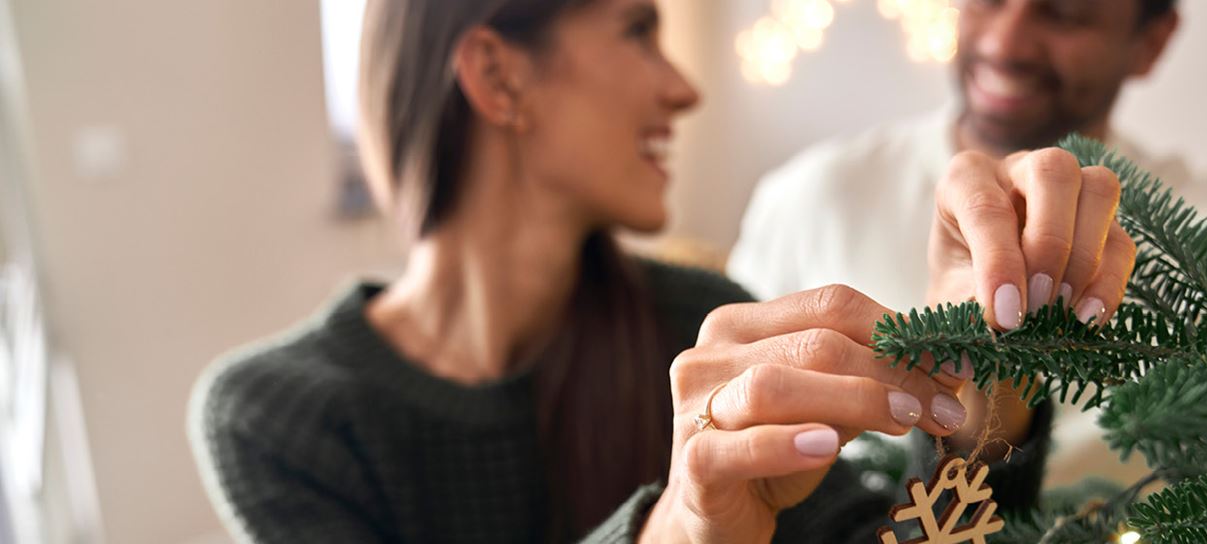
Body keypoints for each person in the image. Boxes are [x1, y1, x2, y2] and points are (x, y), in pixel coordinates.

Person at [187, 0, 1134, 542]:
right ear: (498, 74)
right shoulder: (282, 418)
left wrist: (987, 369)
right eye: (639, 29)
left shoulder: (702, 328)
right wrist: (676, 530)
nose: (682, 89)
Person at [727, 0, 1207, 477]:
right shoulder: (808, 197)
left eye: (1063, 13)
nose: (1005, 44)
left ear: (1151, 41)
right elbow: (725, 424)